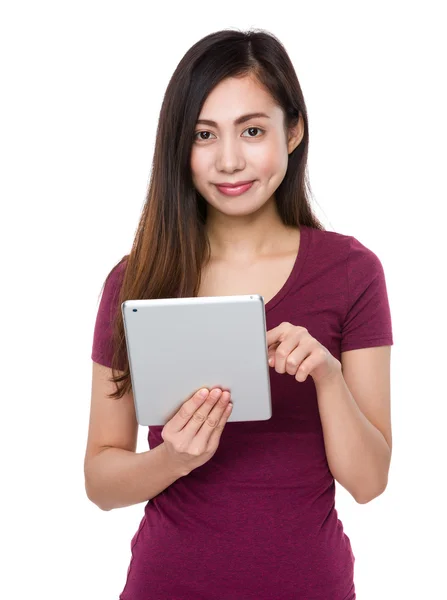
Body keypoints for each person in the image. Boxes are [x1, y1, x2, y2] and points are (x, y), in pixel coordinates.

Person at [84, 28, 393, 600]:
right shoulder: (135, 281)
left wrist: (327, 376)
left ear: (293, 131)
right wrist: (173, 459)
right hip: (167, 584)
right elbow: (101, 482)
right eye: (204, 135)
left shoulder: (352, 272)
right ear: (180, 144)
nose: (229, 160)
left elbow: (370, 482)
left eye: (252, 131)